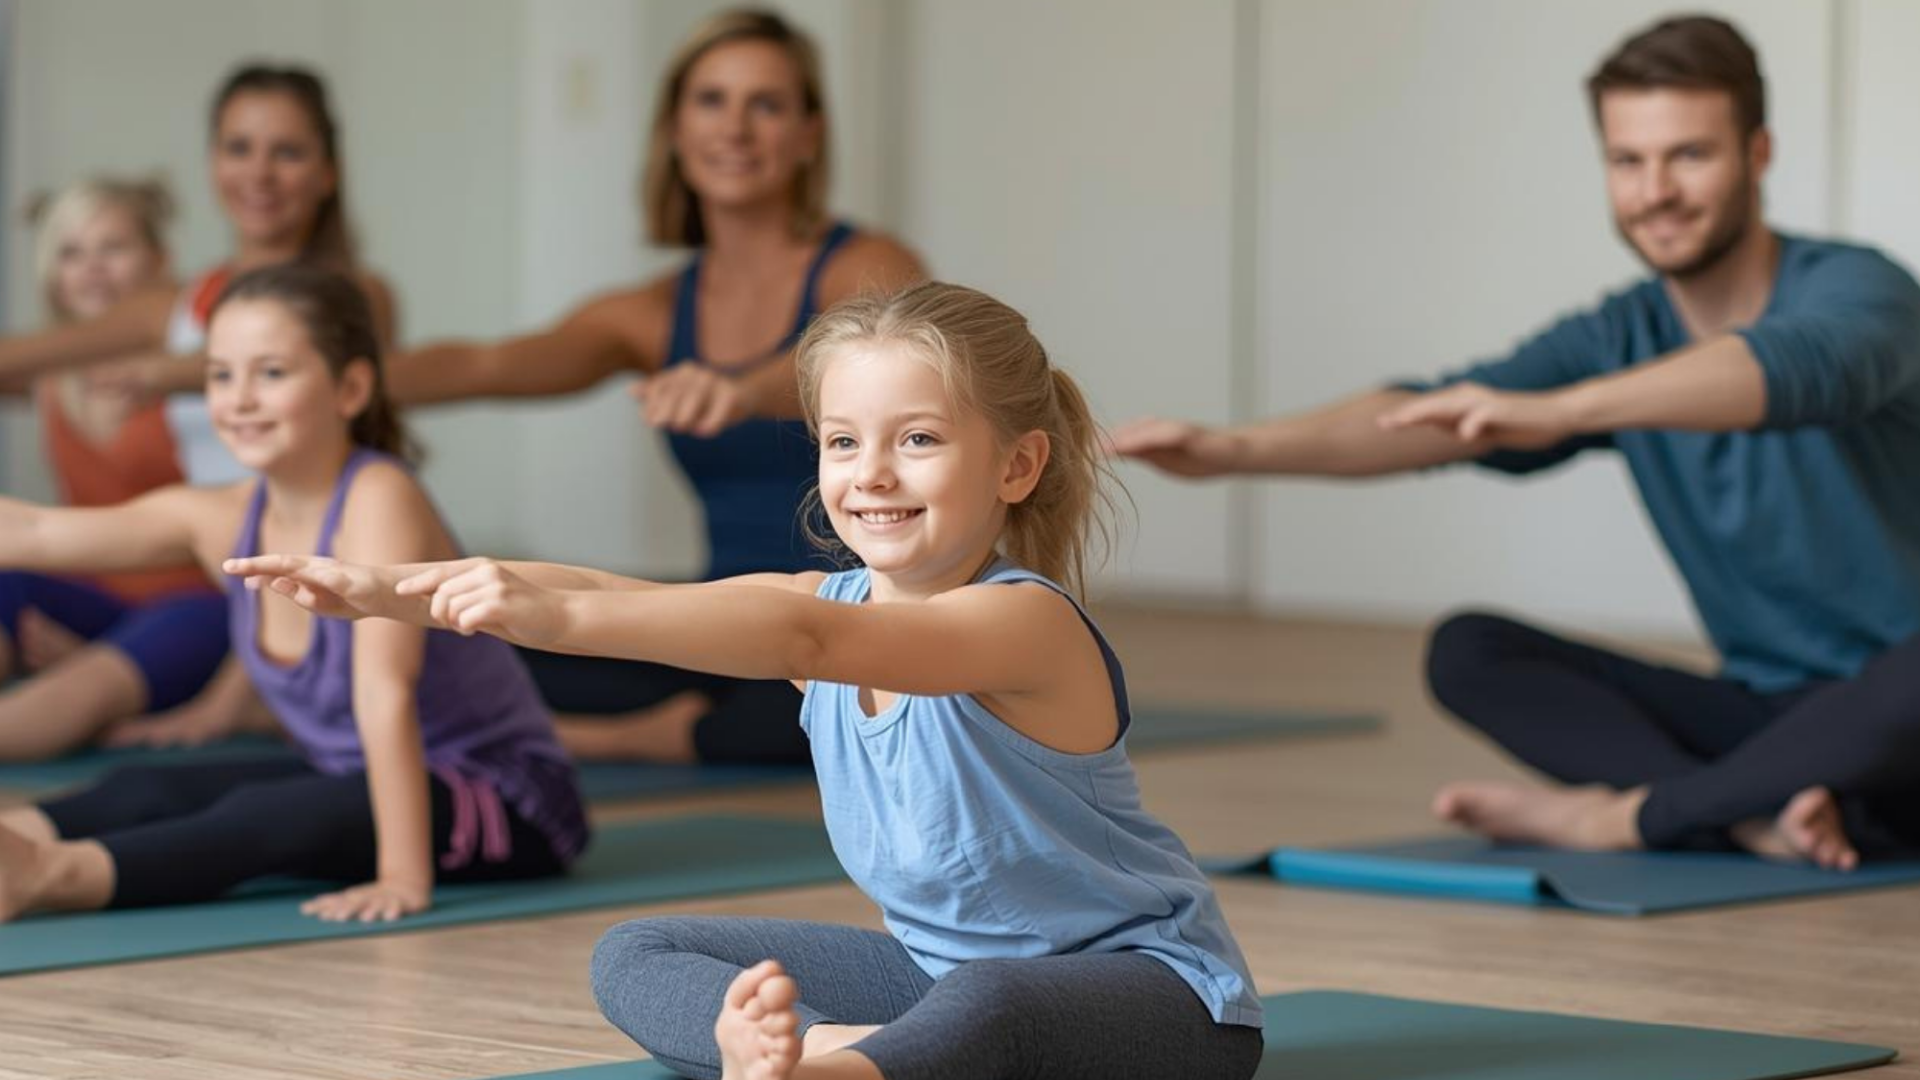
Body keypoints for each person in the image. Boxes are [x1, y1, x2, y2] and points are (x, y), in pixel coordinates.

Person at [229, 281, 1264, 1080]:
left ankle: (831, 1067)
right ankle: (816, 1057)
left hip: (1159, 1006)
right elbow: (593, 580)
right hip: (933, 983)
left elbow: (794, 638)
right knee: (639, 951)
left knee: (993, 1006)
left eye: (920, 440)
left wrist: (547, 616)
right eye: (843, 442)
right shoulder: (844, 602)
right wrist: (380, 588)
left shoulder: (1022, 621)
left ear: (1016, 466)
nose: (872, 475)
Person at [1113, 15, 1920, 870]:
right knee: (1470, 649)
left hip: (1903, 706)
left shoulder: (1861, 291)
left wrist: (1568, 410)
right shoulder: (1619, 336)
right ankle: (1762, 818)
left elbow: (1786, 370)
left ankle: (1635, 818)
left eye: (1690, 155)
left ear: (1758, 155)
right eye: (1628, 161)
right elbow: (1436, 415)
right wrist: (1235, 451)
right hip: (1775, 722)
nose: (1657, 191)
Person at [386, 8, 923, 768]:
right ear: (675, 127)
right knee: (492, 640)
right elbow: (487, 363)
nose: (734, 128)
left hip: (857, 622)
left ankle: (630, 738)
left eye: (765, 104)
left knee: (835, 700)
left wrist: (739, 390)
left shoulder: (866, 262)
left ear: (809, 135)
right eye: (711, 101)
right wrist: (329, 382)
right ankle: (680, 715)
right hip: (721, 622)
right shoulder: (651, 313)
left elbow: (855, 349)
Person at [0, 265, 585, 924]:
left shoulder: (377, 497)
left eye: (271, 373)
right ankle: (16, 840)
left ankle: (48, 876)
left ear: (351, 387)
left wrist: (400, 876)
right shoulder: (221, 516)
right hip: (350, 780)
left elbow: (384, 691)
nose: (240, 399)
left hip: (501, 799)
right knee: (147, 787)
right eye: (221, 375)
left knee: (271, 814)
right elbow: (39, 531)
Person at [0, 63, 399, 489]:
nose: (259, 174)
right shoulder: (174, 304)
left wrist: (160, 373)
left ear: (327, 174)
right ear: (213, 162)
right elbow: (27, 352)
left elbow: (290, 354)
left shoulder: (357, 293)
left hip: (322, 542)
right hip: (218, 544)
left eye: (288, 152)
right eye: (239, 149)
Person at [0, 178, 239, 761]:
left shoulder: (202, 371)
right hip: (90, 595)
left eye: (114, 248)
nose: (92, 270)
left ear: (159, 262)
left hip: (198, 603)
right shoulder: (48, 376)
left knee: (78, 689)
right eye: (72, 252)